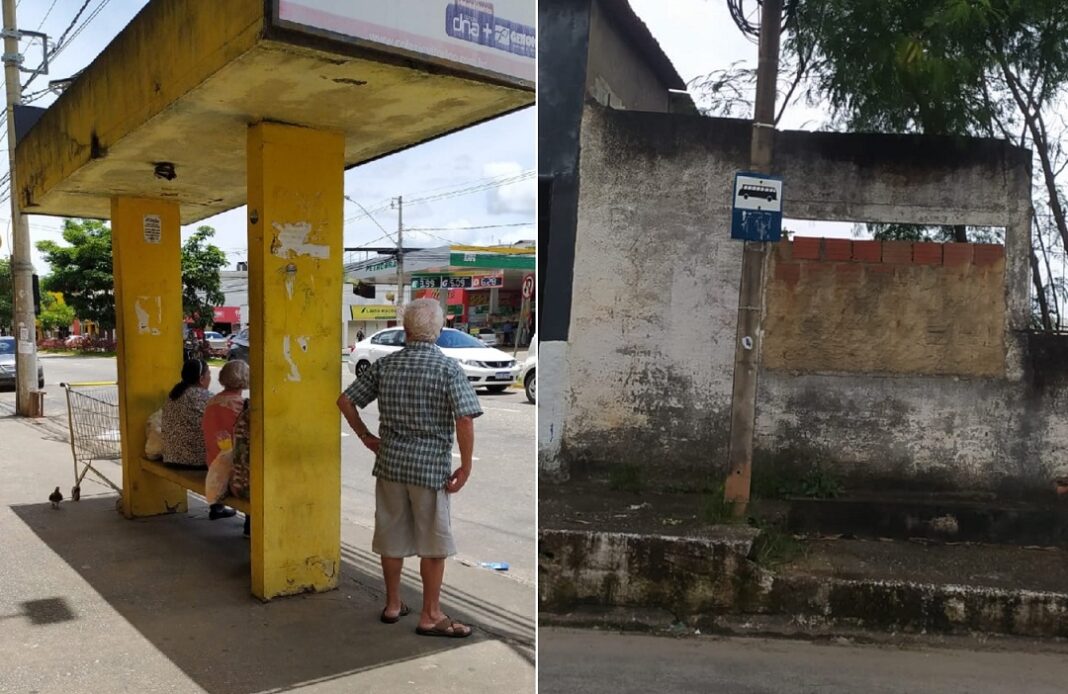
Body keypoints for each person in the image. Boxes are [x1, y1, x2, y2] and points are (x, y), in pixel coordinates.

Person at [337, 298, 482, 638]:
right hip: (430, 470)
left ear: (405, 330)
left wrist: (365, 437)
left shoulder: (387, 365)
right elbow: (464, 418)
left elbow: (345, 400)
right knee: (433, 544)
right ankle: (430, 615)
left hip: (389, 465)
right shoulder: (447, 369)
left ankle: (392, 604)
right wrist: (465, 466)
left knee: (392, 537)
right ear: (439, 331)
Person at [162, 358, 234, 520]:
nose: (210, 378)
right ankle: (220, 507)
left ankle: (217, 506)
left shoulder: (174, 394)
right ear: (201, 379)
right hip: (192, 459)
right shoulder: (205, 397)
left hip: (171, 456)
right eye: (208, 374)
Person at [202, 359, 250, 531]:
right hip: (232, 472)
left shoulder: (212, 402)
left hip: (212, 465)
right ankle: (250, 524)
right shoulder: (241, 406)